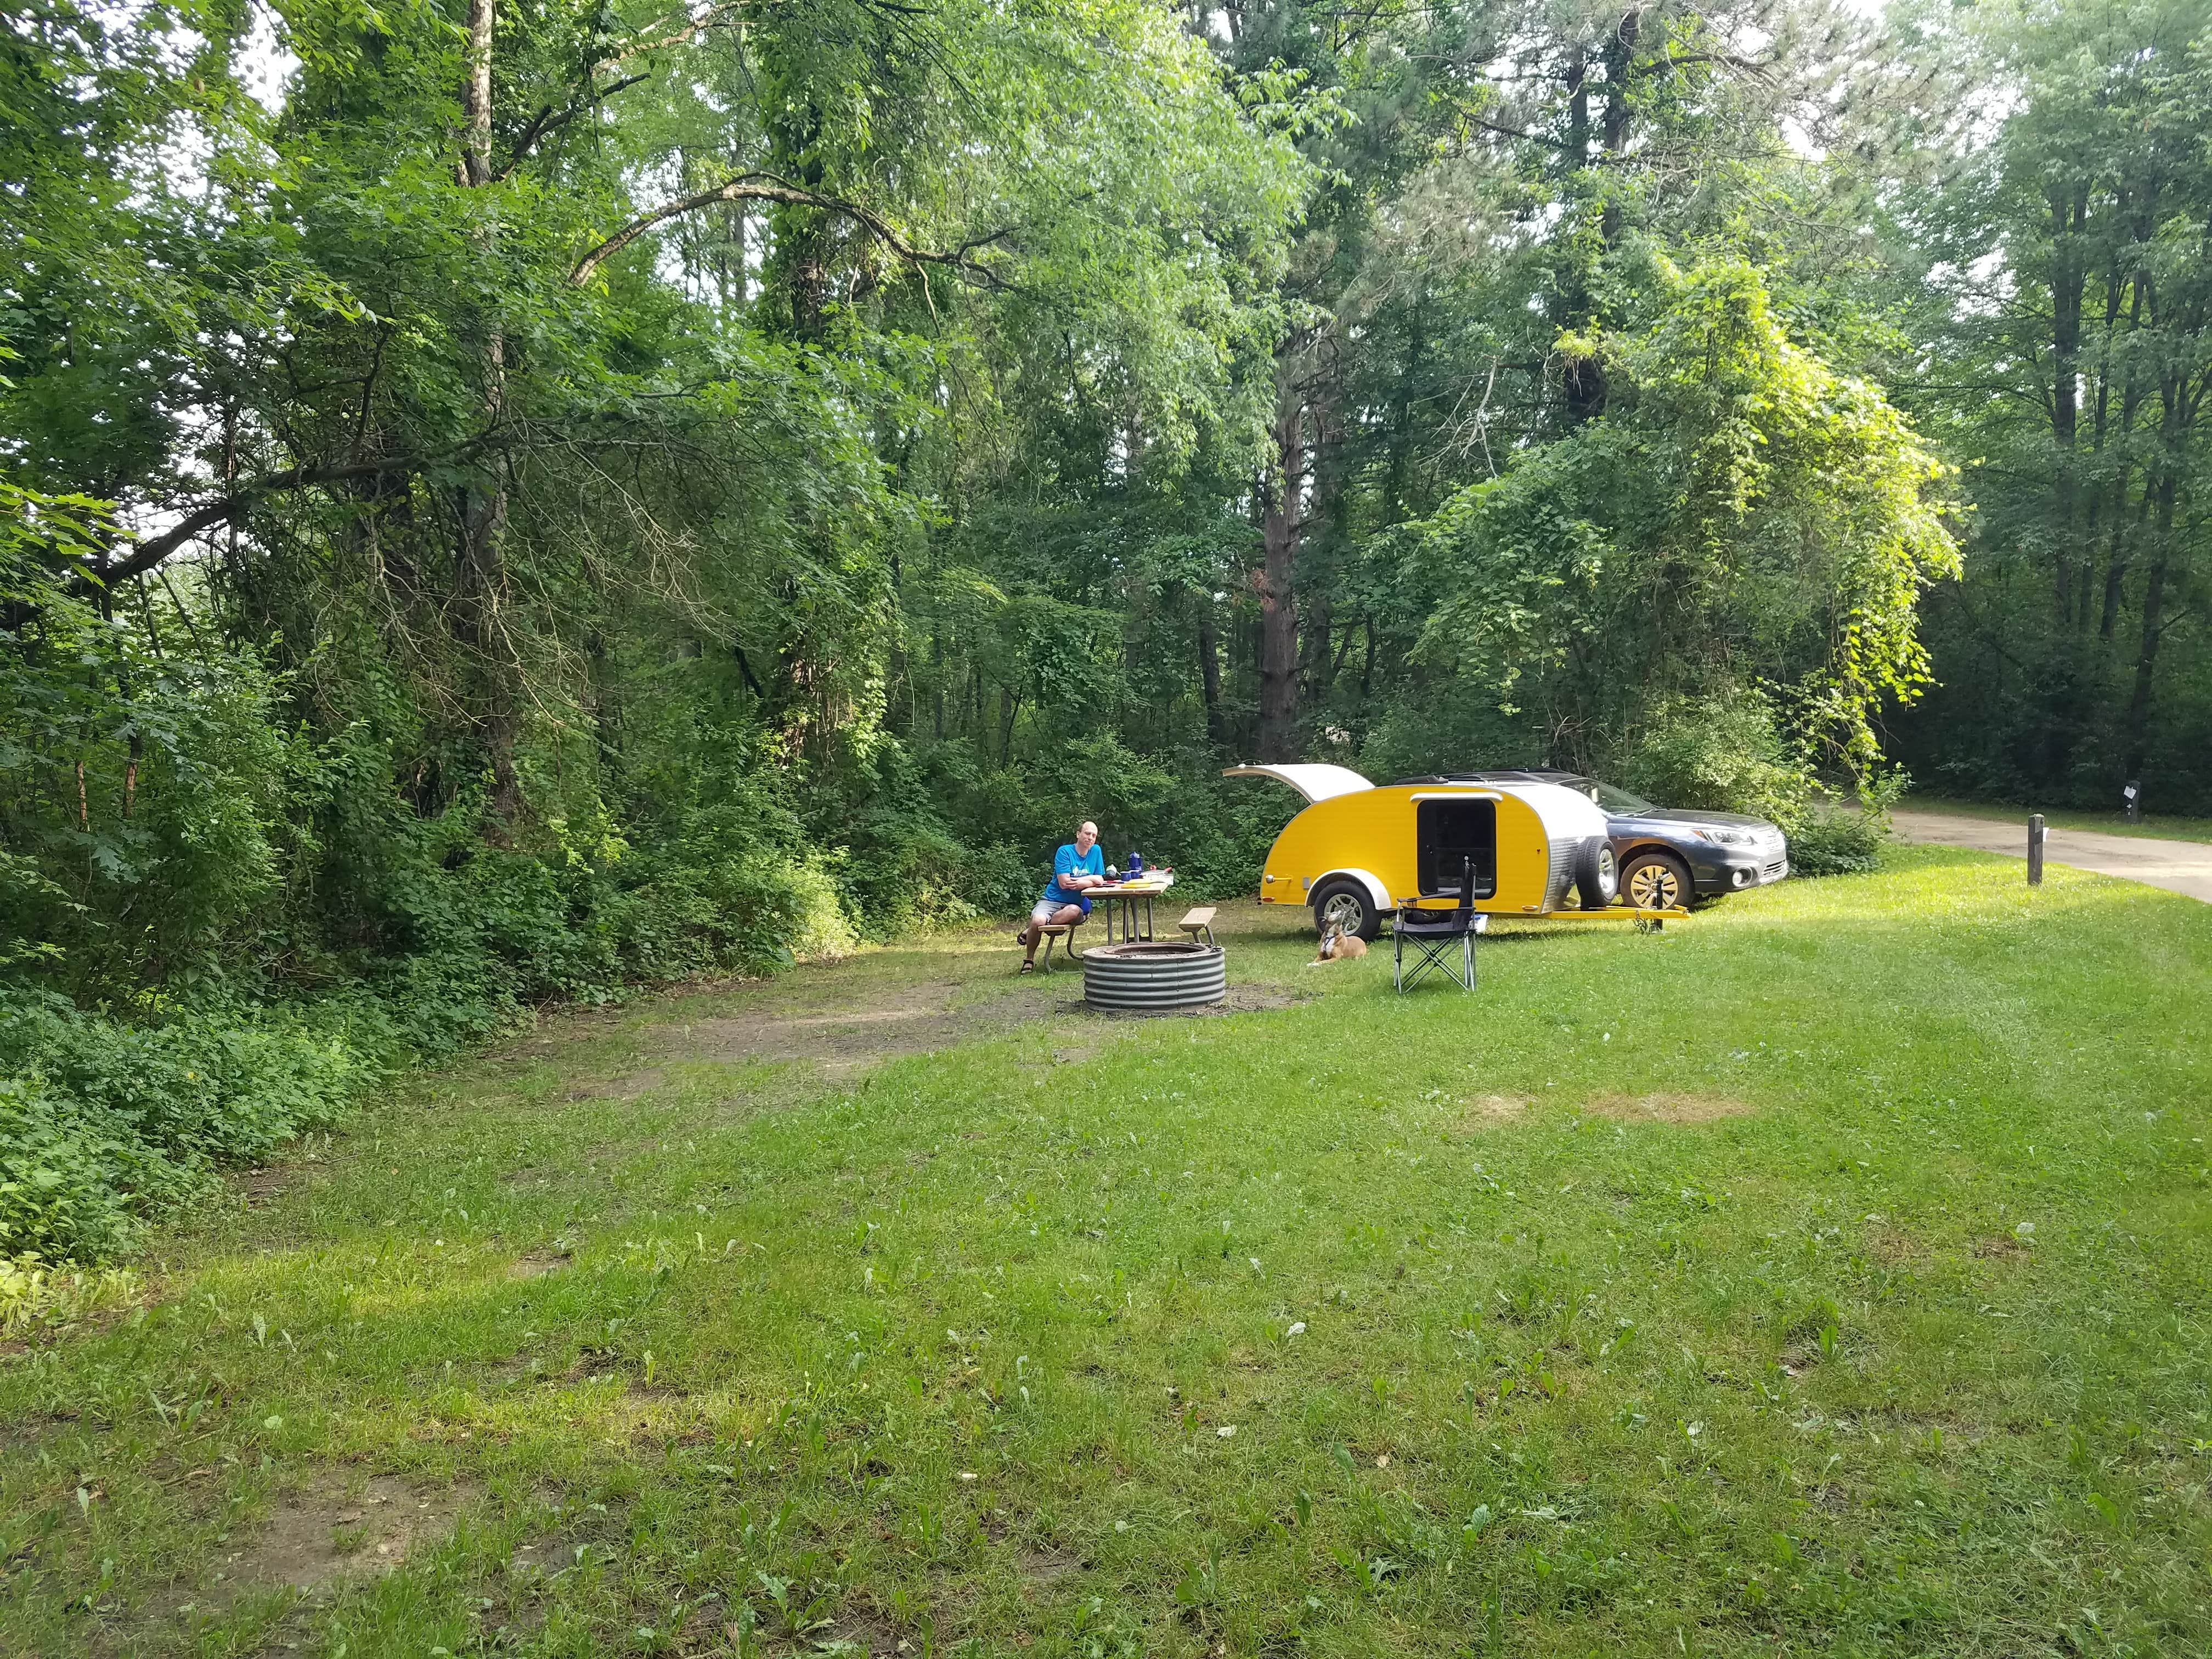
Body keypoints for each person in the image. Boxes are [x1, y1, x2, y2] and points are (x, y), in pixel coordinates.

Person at [1020, 820, 1108, 972]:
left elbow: (1100, 880)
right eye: (1087, 834)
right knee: (1037, 920)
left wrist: (1081, 881)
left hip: (1075, 905)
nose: (1091, 838)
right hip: (1052, 900)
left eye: (1094, 835)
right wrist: (1090, 880)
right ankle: (1029, 960)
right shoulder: (1065, 852)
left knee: (1073, 911)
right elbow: (1064, 883)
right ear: (1078, 834)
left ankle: (1034, 930)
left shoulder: (1096, 851)